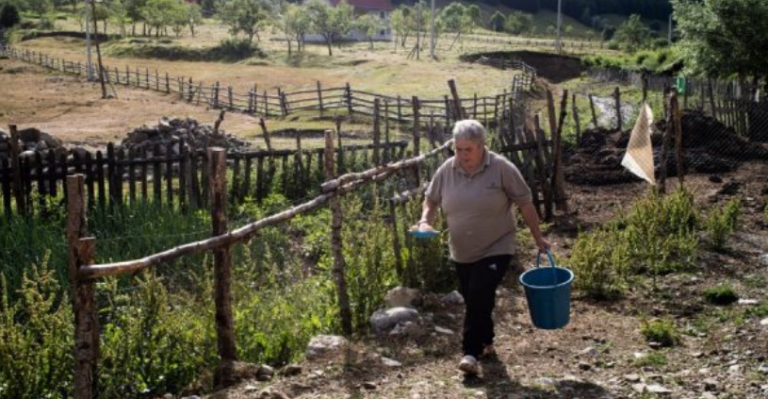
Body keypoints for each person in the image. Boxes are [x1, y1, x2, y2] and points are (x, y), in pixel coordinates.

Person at [413, 119, 550, 376]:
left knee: (478, 293)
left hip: (498, 245)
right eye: (458, 149)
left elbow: (525, 203)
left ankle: (470, 353)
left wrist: (537, 237)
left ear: (481, 146)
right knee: (476, 299)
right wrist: (424, 222)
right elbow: (430, 201)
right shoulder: (447, 169)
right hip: (461, 250)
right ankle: (487, 342)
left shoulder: (501, 168)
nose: (462, 155)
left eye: (468, 149)